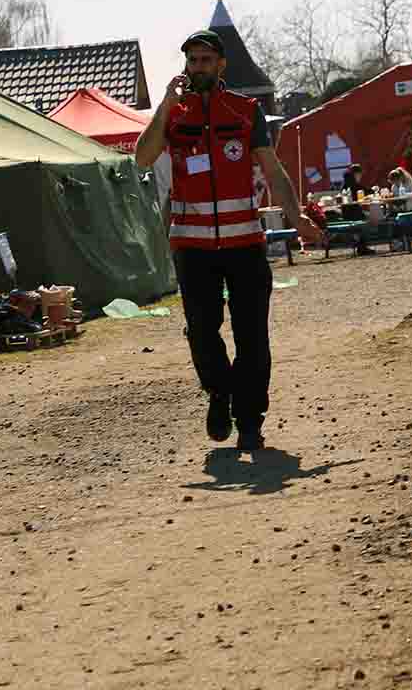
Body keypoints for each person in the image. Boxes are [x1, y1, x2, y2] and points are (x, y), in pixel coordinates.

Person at [137, 29, 322, 455]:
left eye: (205, 60)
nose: (197, 67)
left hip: (244, 244)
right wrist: (164, 107)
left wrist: (297, 220)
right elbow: (143, 158)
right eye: (191, 61)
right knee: (202, 332)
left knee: (252, 335)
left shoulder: (245, 110)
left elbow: (273, 172)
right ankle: (219, 394)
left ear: (221, 65)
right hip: (192, 247)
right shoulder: (175, 113)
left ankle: (250, 420)